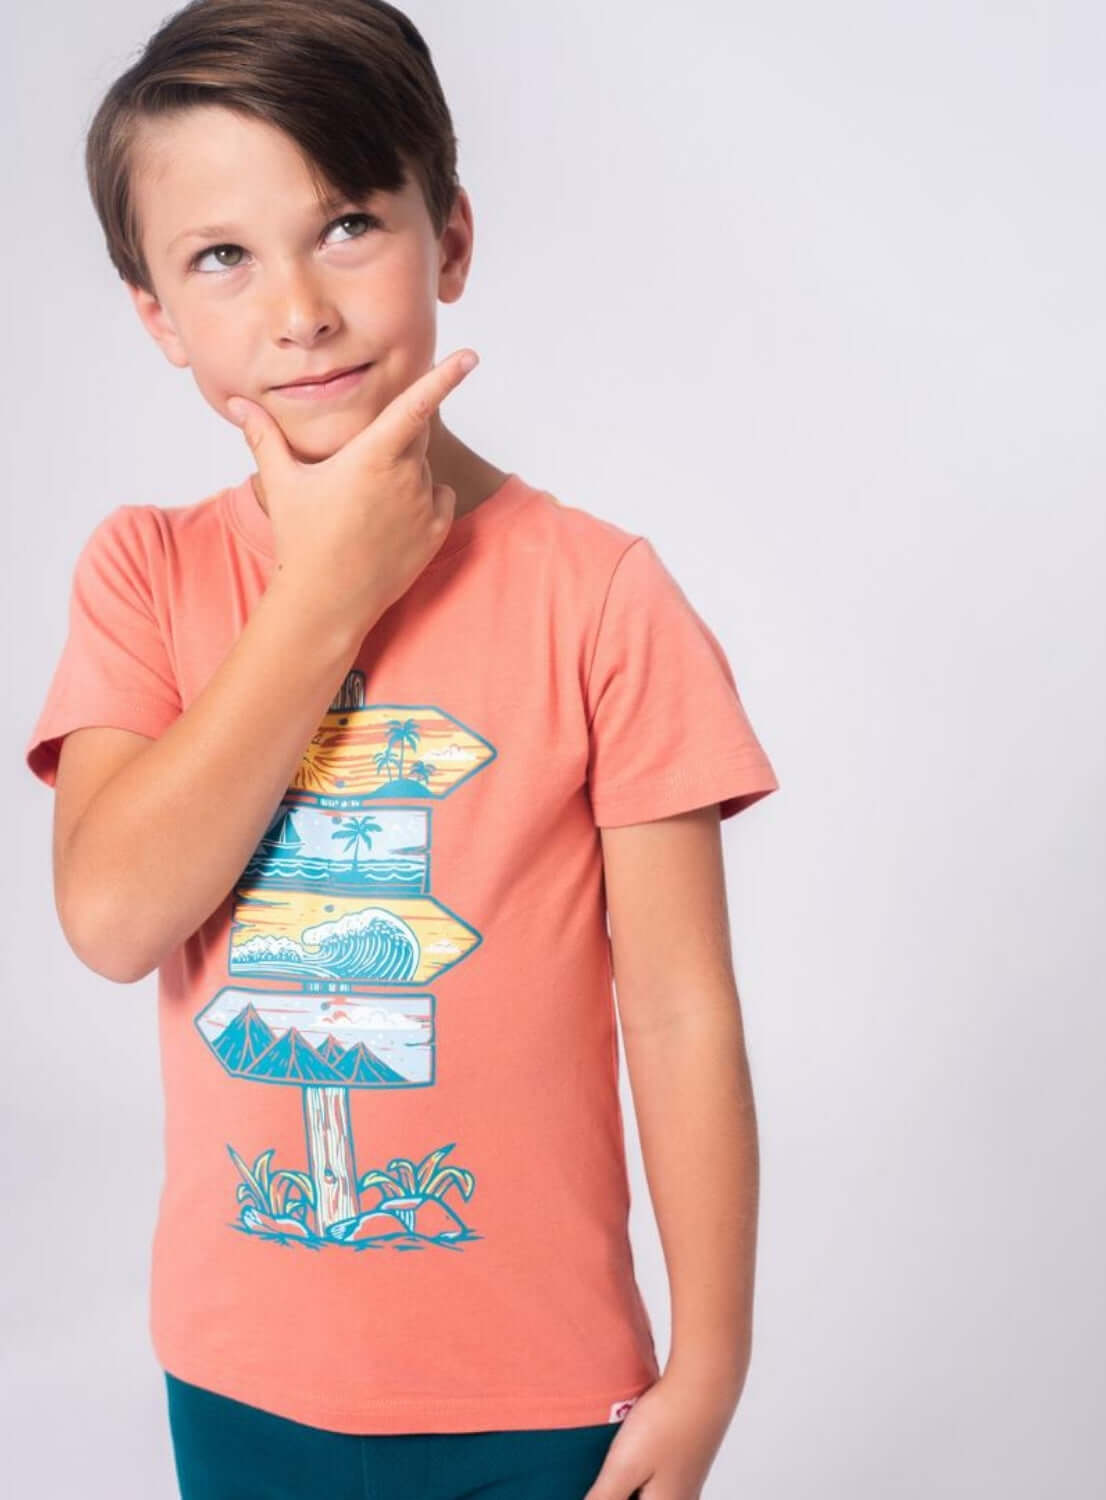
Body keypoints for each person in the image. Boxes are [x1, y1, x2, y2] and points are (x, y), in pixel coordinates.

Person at [24, 2, 781, 1497]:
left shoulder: (599, 596)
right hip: (244, 1379)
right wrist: (326, 595)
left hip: (549, 1391)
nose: (298, 308)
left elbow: (681, 1013)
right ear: (157, 315)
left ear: (452, 237)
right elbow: (112, 918)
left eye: (348, 225)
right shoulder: (147, 574)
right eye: (223, 257)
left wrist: (707, 1370)